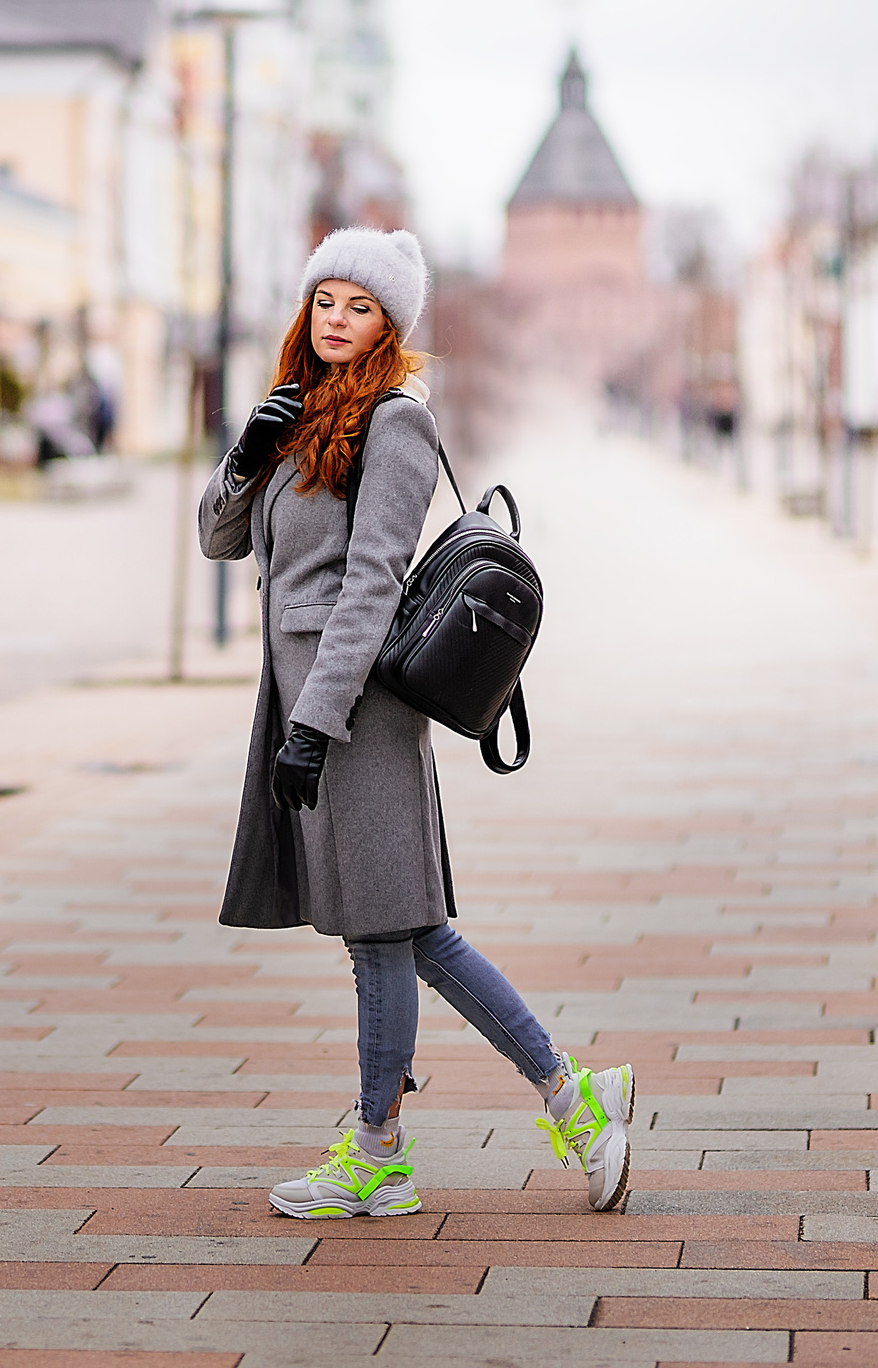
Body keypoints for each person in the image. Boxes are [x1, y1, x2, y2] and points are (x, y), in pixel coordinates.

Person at [197, 226, 638, 1220]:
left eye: (360, 307)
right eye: (325, 301)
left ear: (388, 324)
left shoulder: (393, 423)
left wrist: (315, 726)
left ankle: (380, 1152)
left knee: (381, 933)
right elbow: (218, 541)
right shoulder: (297, 413)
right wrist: (247, 454)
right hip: (310, 701)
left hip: (356, 709)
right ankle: (571, 1098)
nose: (337, 319)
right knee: (411, 931)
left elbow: (370, 585)